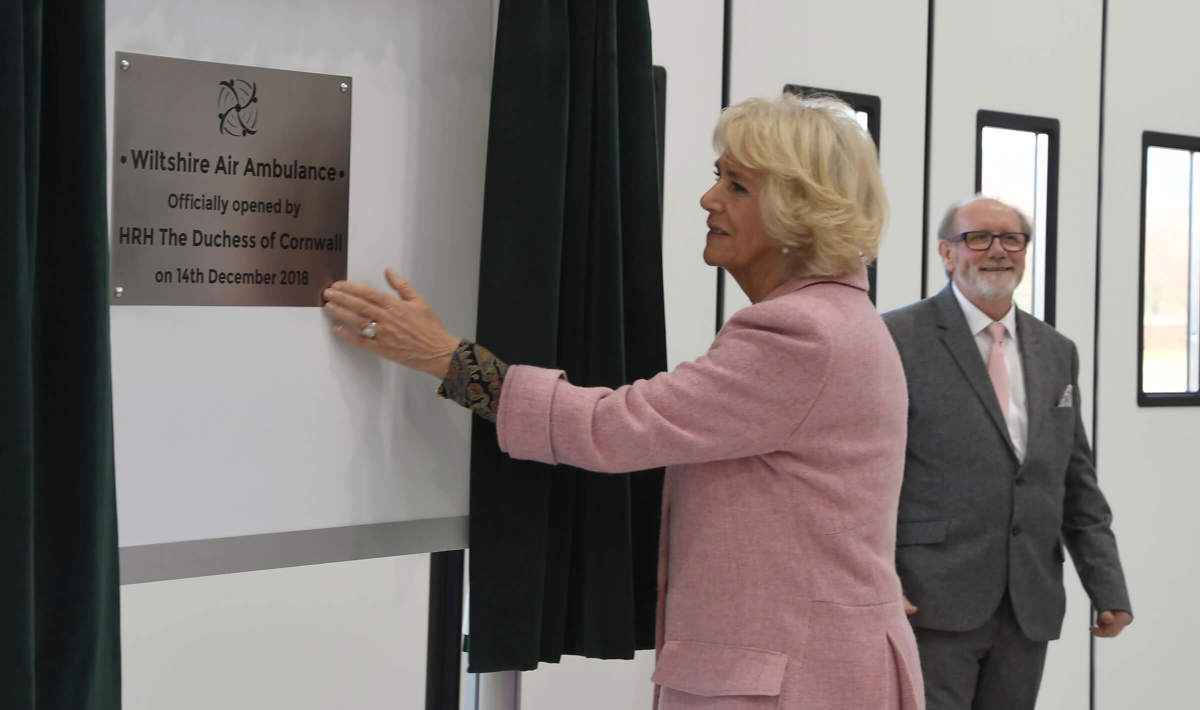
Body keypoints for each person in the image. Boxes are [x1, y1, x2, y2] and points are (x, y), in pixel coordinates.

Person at [322, 94, 923, 709]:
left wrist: (448, 360)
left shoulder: (802, 334)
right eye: (719, 177)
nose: (708, 199)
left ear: (800, 210)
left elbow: (614, 427)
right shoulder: (844, 321)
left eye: (737, 186)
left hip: (793, 685)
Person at [883, 197, 1133, 710]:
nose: (998, 250)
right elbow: (866, 475)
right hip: (929, 599)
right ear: (947, 254)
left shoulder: (1056, 350)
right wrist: (881, 577)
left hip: (1027, 605)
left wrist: (1107, 586)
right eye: (979, 238)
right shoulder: (895, 338)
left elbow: (1074, 479)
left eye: (1012, 238)